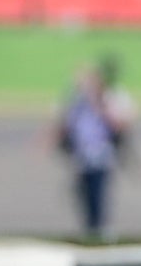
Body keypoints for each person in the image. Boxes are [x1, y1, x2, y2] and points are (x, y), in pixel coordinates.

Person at [56, 55, 132, 242]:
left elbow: (120, 123)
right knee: (83, 194)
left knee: (99, 192)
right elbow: (66, 123)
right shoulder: (76, 100)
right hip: (81, 154)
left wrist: (100, 104)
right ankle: (89, 229)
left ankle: (101, 229)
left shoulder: (109, 98)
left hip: (101, 153)